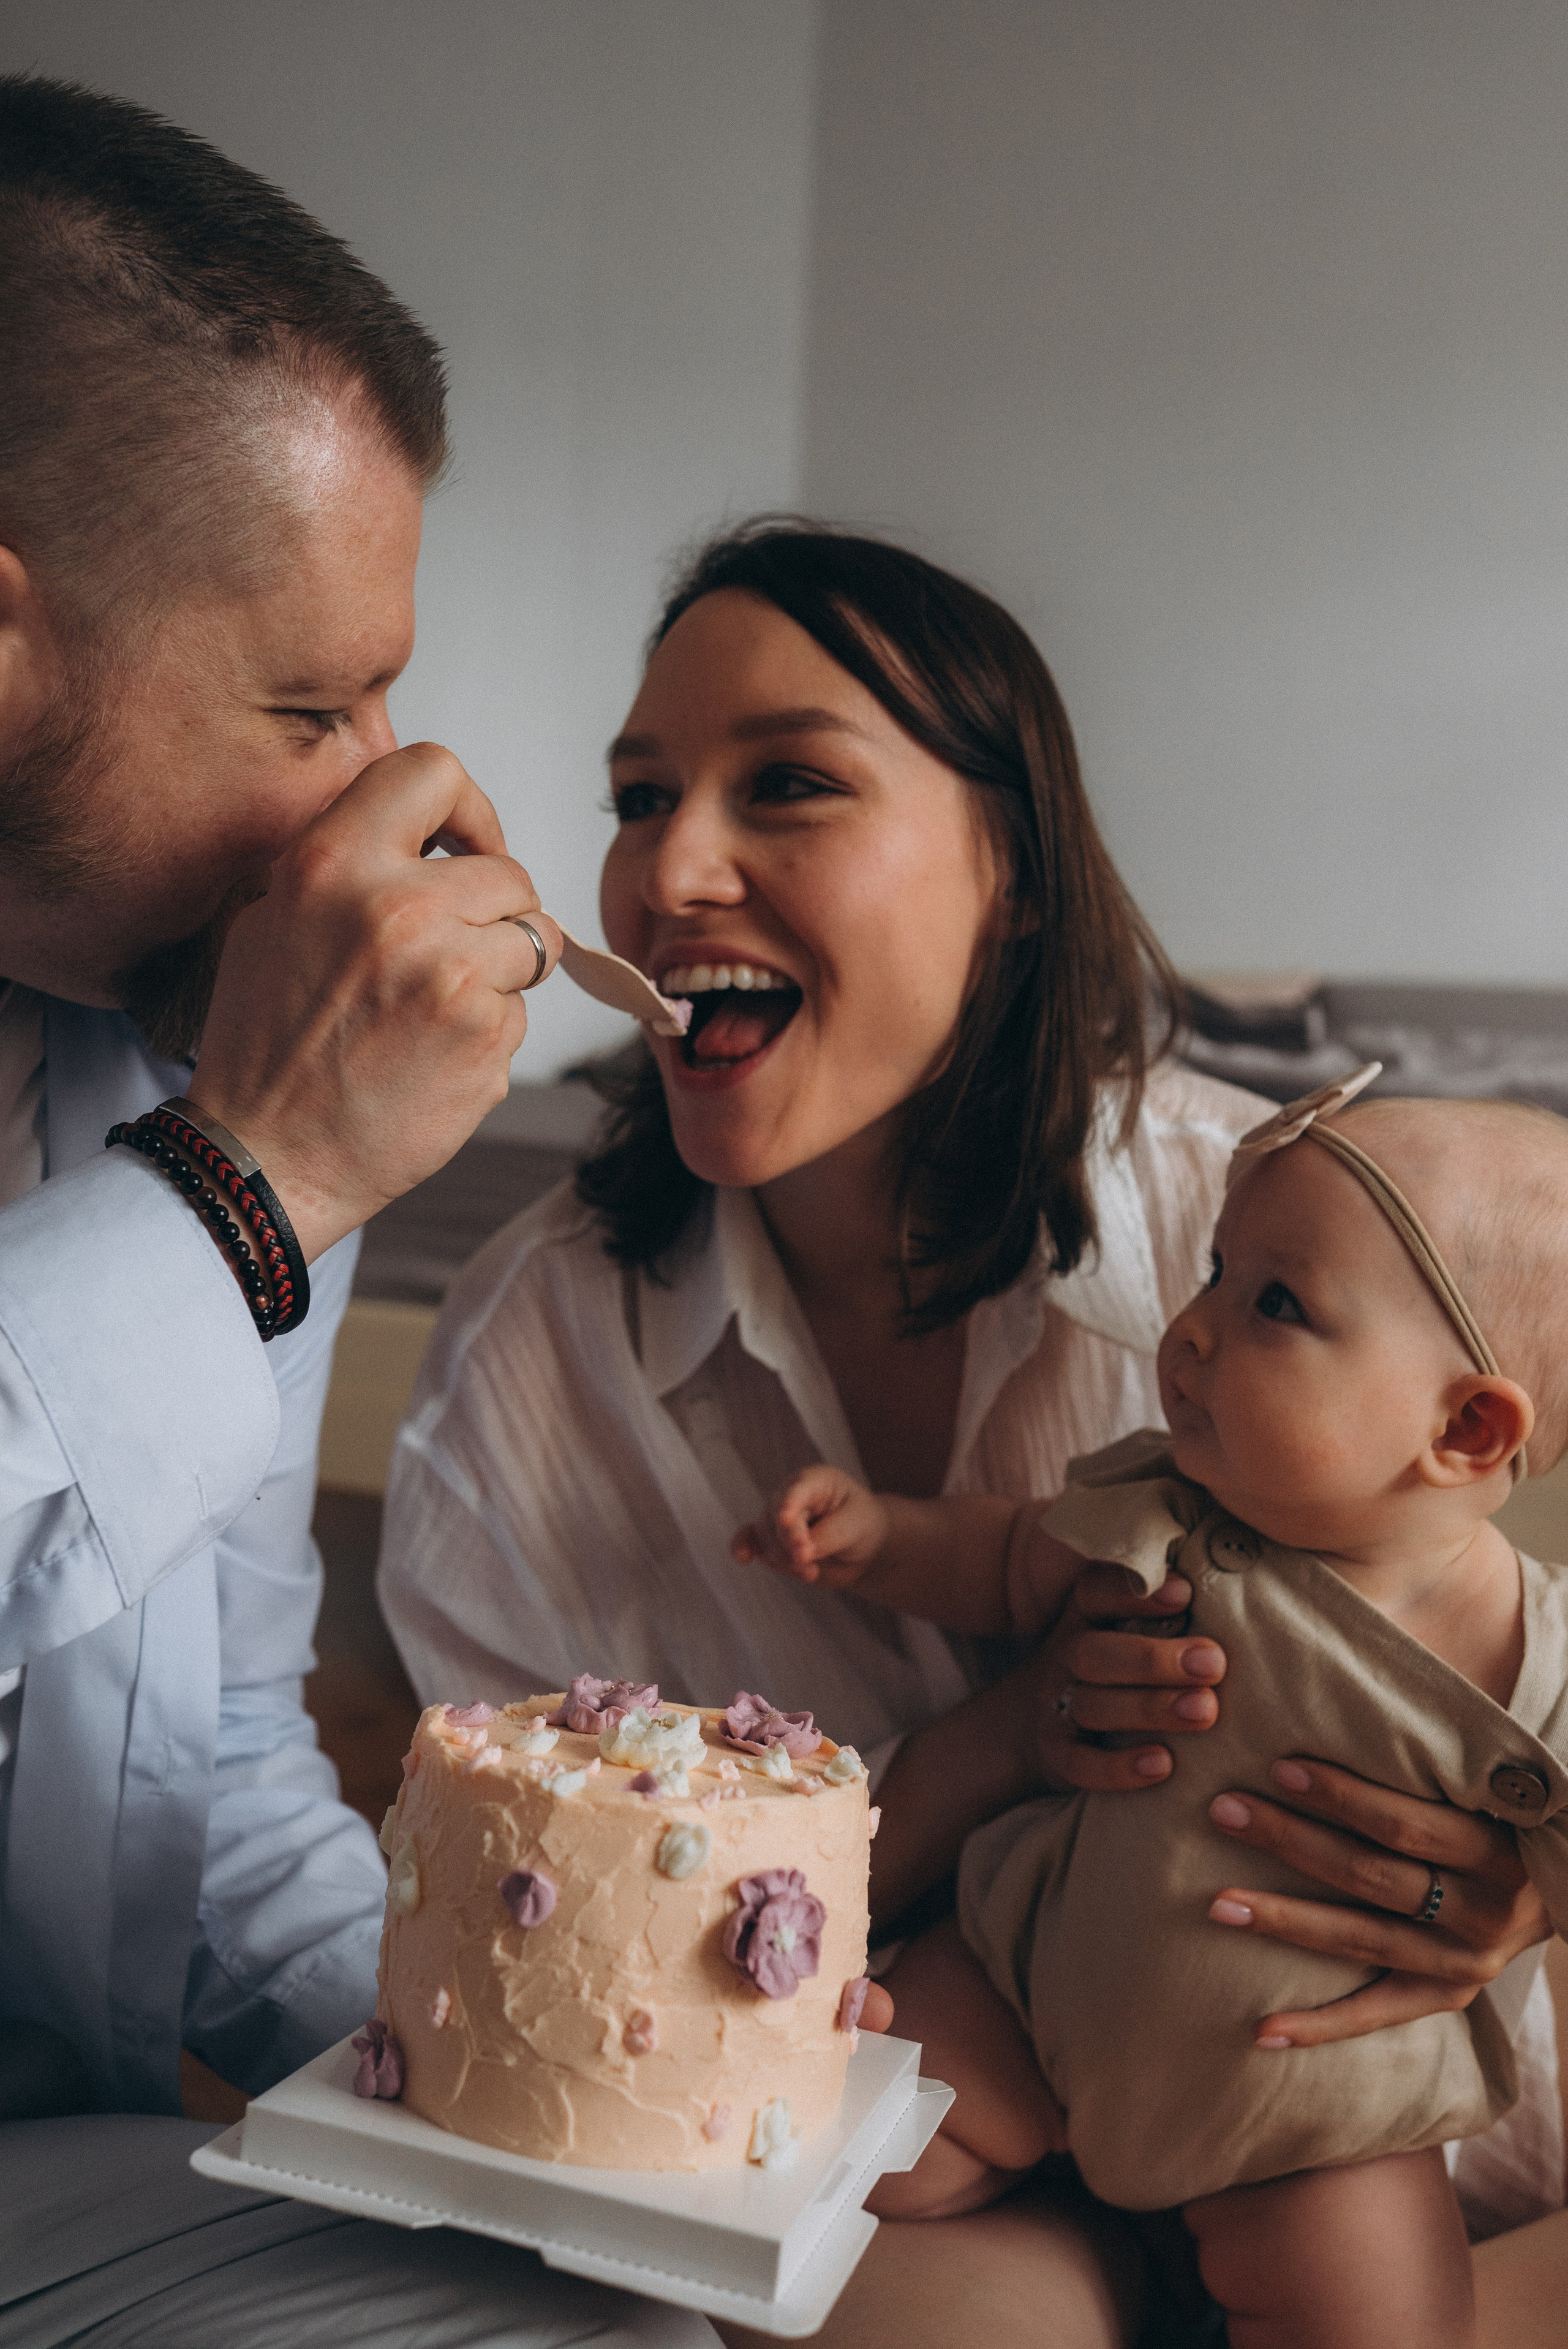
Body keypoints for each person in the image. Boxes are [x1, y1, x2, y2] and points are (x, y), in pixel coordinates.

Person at [377, 521, 1560, 2347]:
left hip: (1401, 2148)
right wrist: (1003, 1737)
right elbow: (577, 1964)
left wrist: (1515, 1907)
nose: (669, 867)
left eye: (786, 783)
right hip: (967, 2136)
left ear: (1011, 864)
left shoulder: (1263, 1236)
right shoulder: (528, 1373)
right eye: (636, 796)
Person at [0, 74, 724, 2349]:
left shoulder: (172, 1052)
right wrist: (262, 1179)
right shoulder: (249, 1137)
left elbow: (208, 1769)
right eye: (314, 703)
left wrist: (569, 2077)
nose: (381, 794)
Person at [738, 1082, 1568, 2347]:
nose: (1190, 1332)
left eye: (1273, 1304)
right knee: (829, 2157)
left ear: (1463, 1427)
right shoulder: (1169, 1511)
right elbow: (1008, 1557)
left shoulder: (1527, 1653)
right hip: (1032, 1985)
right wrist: (880, 1535)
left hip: (1304, 2103)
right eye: (1215, 1273)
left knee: (1383, 2320)